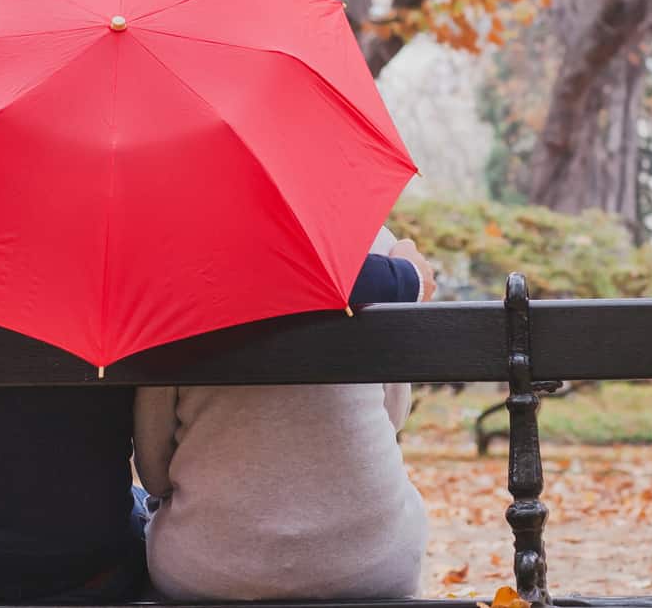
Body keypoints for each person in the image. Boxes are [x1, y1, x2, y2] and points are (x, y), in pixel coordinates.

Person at [0, 236, 436, 604]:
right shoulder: (102, 228)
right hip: (79, 569)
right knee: (130, 513)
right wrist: (404, 275)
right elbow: (258, 273)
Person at [132, 238, 436, 601]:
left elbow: (153, 472)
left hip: (207, 571)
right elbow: (393, 417)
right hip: (376, 563)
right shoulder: (372, 244)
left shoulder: (169, 267)